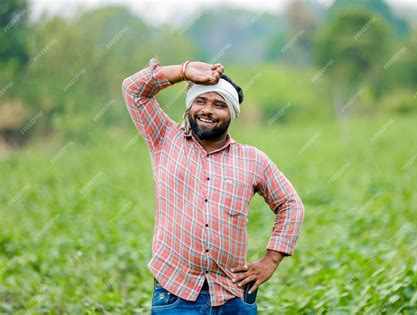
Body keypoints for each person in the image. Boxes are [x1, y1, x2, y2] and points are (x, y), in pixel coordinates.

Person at [121, 58, 305, 314]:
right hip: (175, 293)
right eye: (200, 101)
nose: (208, 110)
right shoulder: (164, 138)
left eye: (219, 105)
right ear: (189, 107)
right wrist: (183, 72)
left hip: (233, 294)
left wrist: (271, 260)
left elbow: (290, 204)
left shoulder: (252, 160)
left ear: (231, 113)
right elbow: (133, 89)